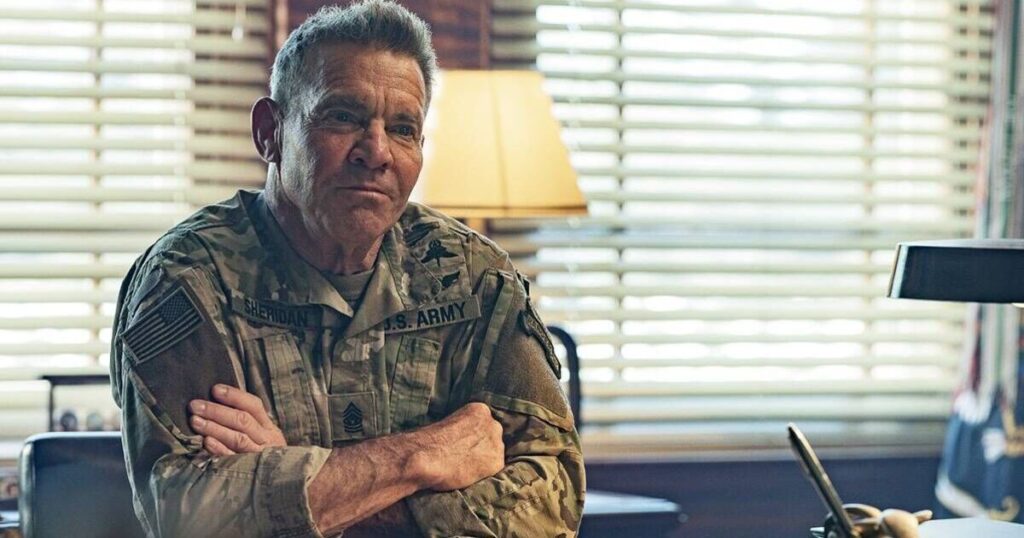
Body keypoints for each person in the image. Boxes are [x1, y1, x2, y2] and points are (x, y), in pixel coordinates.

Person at [108, 1, 585, 536]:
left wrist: (299, 482)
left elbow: (554, 499)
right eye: (342, 116)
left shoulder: (475, 278)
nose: (376, 152)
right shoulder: (187, 281)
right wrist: (421, 457)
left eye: (402, 128)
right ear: (269, 132)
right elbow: (188, 516)